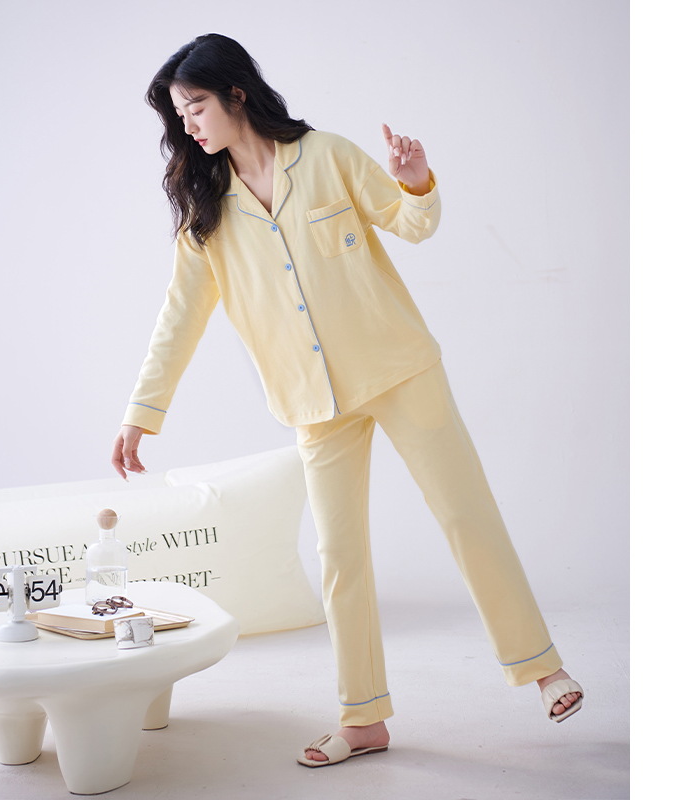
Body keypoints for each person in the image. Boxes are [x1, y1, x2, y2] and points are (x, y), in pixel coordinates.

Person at [111, 33, 584, 768]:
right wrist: (143, 413)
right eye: (179, 114)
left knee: (466, 515)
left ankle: (543, 669)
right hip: (313, 401)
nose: (188, 124)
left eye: (196, 105)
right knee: (339, 557)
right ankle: (363, 717)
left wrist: (416, 182)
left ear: (236, 93)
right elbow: (180, 315)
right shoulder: (208, 208)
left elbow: (412, 224)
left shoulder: (326, 155)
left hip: (399, 369)